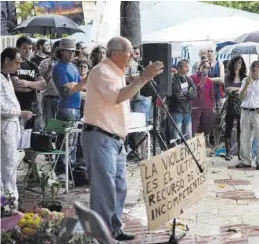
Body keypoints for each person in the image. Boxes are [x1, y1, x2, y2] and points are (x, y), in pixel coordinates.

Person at [81, 36, 163, 241]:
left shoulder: (117, 72)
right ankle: (101, 235)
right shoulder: (101, 71)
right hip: (100, 137)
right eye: (130, 52)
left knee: (119, 186)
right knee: (103, 189)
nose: (133, 56)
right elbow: (118, 96)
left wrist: (141, 78)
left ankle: (114, 228)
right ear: (116, 53)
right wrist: (143, 78)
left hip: (115, 139)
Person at [1, 47, 33, 204]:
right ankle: (7, 201)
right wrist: (19, 113)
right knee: (7, 165)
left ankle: (10, 199)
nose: (19, 66)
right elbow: (1, 108)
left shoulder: (7, 77)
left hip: (12, 126)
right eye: (17, 62)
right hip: (5, 126)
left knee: (11, 163)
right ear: (7, 60)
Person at [52, 38, 84, 176]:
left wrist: (77, 86)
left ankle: (70, 170)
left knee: (73, 141)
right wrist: (78, 86)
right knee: (64, 141)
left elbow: (79, 86)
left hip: (76, 106)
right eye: (69, 51)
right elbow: (65, 90)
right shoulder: (58, 67)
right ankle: (61, 170)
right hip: (66, 107)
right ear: (62, 51)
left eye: (73, 51)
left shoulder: (73, 67)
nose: (71, 54)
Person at [11, 36, 46, 162]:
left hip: (33, 108)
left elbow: (43, 84)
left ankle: (32, 169)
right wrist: (33, 85)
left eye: (30, 48)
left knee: (32, 140)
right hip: (18, 109)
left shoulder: (32, 65)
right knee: (15, 141)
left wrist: (26, 84)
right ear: (17, 49)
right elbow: (16, 86)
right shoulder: (14, 65)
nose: (27, 51)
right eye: (24, 48)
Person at [167, 59, 197, 146]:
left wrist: (185, 93)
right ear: (179, 67)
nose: (188, 69)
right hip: (176, 111)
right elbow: (177, 97)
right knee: (176, 137)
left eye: (188, 67)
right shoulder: (173, 80)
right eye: (186, 67)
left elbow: (194, 94)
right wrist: (188, 95)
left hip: (187, 111)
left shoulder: (188, 79)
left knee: (188, 136)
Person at [224, 56, 247, 161]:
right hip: (230, 104)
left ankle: (240, 153)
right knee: (228, 128)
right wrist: (240, 88)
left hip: (242, 105)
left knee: (240, 129)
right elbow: (228, 89)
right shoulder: (228, 76)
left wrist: (236, 89)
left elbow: (247, 90)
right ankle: (228, 152)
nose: (238, 65)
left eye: (240, 63)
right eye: (236, 63)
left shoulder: (244, 77)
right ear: (232, 64)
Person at [236, 61, 259, 169]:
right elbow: (240, 97)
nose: (254, 70)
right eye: (252, 68)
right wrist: (246, 85)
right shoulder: (245, 80)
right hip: (245, 111)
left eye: (256, 68)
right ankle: (246, 161)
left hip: (257, 112)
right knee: (244, 137)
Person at [191, 59, 215, 145]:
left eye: (208, 68)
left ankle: (203, 146)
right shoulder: (192, 78)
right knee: (193, 129)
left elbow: (212, 96)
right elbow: (191, 93)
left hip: (207, 108)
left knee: (205, 129)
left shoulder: (210, 81)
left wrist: (212, 107)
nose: (206, 69)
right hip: (195, 107)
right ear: (199, 67)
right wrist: (200, 84)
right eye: (204, 67)